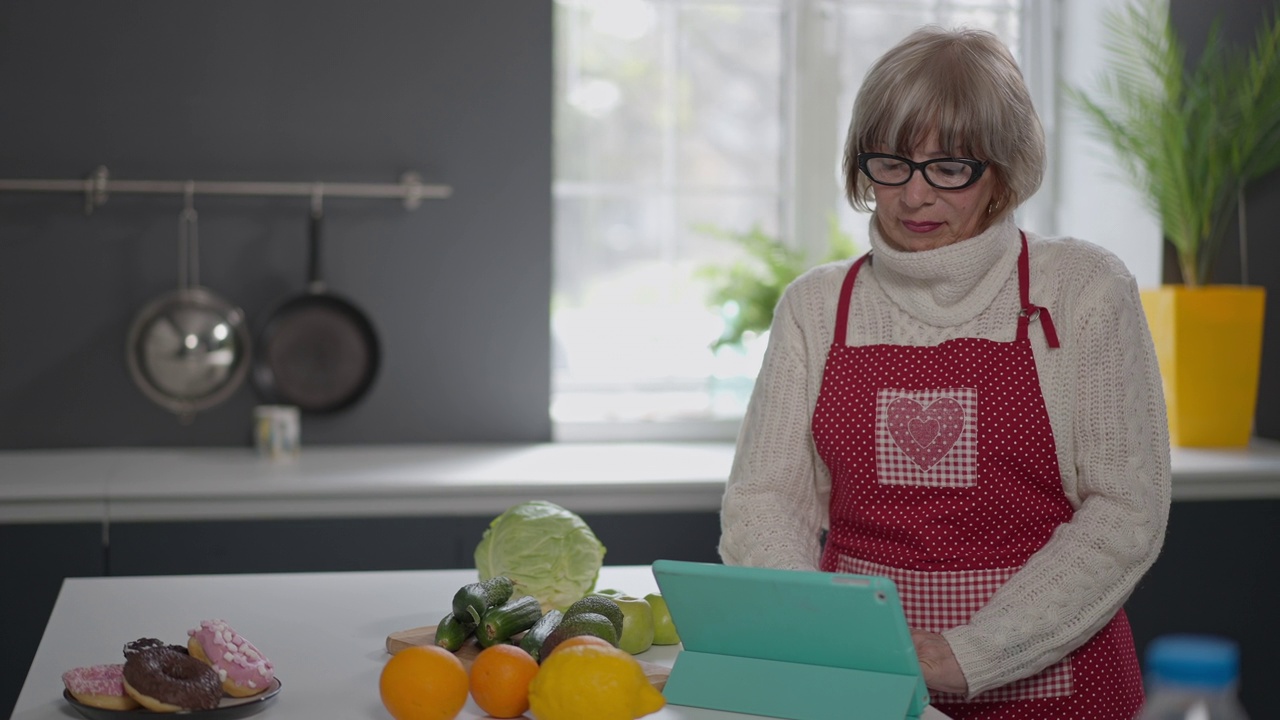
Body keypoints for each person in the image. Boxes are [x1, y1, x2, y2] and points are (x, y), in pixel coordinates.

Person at [718, 25, 1171, 720]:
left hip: (1057, 689)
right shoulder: (815, 306)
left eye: (950, 167)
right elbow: (765, 502)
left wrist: (973, 652)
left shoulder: (1084, 289)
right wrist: (822, 636)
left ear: (1004, 172)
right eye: (891, 163)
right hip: (862, 684)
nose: (914, 195)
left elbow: (1125, 512)